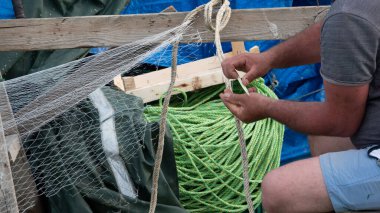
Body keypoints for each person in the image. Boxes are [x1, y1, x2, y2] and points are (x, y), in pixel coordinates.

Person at [220, 0, 380, 212]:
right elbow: (330, 33)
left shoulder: (350, 14)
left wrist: (267, 108)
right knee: (323, 141)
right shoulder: (357, 9)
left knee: (279, 189)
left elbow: (339, 122)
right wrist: (268, 58)